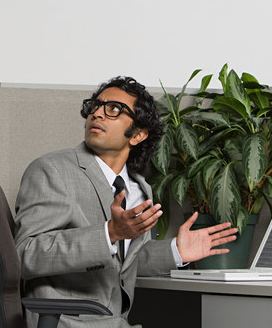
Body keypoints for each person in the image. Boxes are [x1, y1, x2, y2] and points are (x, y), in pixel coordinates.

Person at [14, 76, 237, 327]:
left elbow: (125, 261)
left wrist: (176, 251)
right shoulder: (52, 170)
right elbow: (24, 255)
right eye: (95, 106)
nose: (97, 114)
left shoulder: (139, 189)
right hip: (67, 322)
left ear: (138, 134)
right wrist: (108, 233)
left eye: (114, 109)